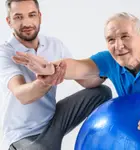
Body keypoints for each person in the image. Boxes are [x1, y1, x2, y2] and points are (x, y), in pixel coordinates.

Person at [14, 11, 140, 136]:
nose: (118, 46)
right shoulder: (110, 60)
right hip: (135, 130)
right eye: (111, 39)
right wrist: (49, 68)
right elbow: (78, 66)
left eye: (125, 36)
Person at [0, 0, 112, 150]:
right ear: (9, 21)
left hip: (54, 120)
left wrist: (110, 65)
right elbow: (23, 95)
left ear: (39, 16)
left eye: (31, 15)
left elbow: (87, 81)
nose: (26, 22)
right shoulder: (5, 52)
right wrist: (46, 81)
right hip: (25, 135)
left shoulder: (54, 45)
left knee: (102, 92)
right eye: (18, 17)